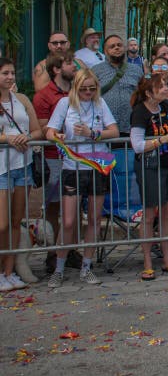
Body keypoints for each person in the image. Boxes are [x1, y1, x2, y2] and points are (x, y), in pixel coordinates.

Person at [46, 69, 120, 287]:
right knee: (68, 221)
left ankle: (87, 266)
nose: (88, 92)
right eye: (83, 89)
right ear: (75, 87)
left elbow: (114, 131)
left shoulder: (100, 103)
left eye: (92, 88)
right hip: (72, 166)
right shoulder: (64, 104)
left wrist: (93, 134)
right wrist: (56, 136)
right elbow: (49, 130)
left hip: (97, 166)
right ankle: (59, 268)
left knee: (95, 220)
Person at [130, 75, 168, 280]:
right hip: (149, 166)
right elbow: (137, 145)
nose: (166, 88)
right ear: (149, 93)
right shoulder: (140, 112)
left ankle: (167, 259)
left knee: (167, 212)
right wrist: (162, 139)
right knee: (149, 215)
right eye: (161, 86)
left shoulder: (165, 106)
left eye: (166, 85)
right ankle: (147, 262)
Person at [33, 52, 83, 273]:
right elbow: (42, 127)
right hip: (54, 157)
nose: (75, 67)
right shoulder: (44, 96)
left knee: (76, 205)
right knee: (54, 206)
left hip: (78, 157)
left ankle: (71, 249)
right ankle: (53, 252)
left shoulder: (80, 92)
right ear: (56, 69)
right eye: (70, 63)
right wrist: (58, 132)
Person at [0, 58, 44, 291]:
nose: (10, 77)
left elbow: (37, 129)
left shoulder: (22, 100)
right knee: (2, 223)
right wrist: (8, 138)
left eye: (12, 72)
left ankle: (9, 271)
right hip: (2, 168)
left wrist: (27, 137)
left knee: (16, 221)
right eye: (5, 73)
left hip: (23, 166)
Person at [92, 34, 144, 138]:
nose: (116, 47)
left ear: (124, 48)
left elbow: (143, 96)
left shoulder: (137, 70)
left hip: (131, 126)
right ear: (105, 51)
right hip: (105, 128)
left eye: (119, 45)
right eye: (112, 46)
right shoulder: (95, 71)